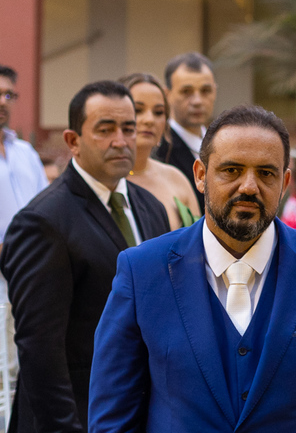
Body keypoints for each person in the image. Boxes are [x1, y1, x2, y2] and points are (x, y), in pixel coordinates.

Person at [89, 105, 296, 432]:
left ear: (284, 182)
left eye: (266, 173)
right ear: (200, 174)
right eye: (232, 170)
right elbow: (112, 419)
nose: (249, 186)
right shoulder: (142, 272)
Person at [1, 81, 170, 433]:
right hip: (75, 415)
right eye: (105, 130)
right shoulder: (42, 221)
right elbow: (39, 350)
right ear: (73, 141)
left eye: (128, 128)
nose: (121, 141)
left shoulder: (149, 208)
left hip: (140, 410)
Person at [0, 66, 49, 420]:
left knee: (20, 373)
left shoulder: (26, 153)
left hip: (27, 281)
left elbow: (43, 212)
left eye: (8, 95)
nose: (3, 102)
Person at [120, 73, 202, 229]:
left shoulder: (176, 178)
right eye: (138, 110)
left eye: (158, 112)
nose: (149, 120)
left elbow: (198, 243)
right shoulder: (106, 181)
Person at [154, 52, 218, 207]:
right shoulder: (158, 151)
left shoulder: (224, 144)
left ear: (215, 91)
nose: (197, 101)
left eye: (205, 91)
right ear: (167, 94)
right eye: (186, 92)